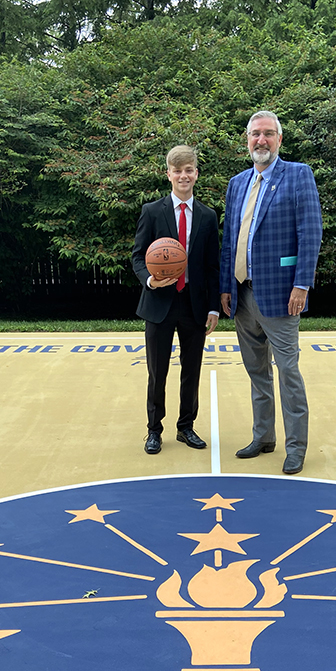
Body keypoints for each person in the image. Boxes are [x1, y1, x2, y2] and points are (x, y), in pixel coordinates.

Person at [220, 111, 323, 475]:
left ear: (279, 139)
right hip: (243, 294)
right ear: (247, 140)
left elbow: (310, 232)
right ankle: (263, 436)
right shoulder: (237, 183)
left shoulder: (298, 175)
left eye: (267, 134)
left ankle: (296, 448)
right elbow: (229, 240)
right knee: (256, 371)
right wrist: (226, 287)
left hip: (281, 293)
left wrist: (302, 284)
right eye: (254, 134)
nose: (260, 140)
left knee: (288, 373)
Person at [132, 145, 220, 455]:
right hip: (159, 303)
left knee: (191, 370)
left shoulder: (208, 216)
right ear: (168, 174)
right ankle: (154, 430)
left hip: (194, 304)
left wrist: (213, 307)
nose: (184, 176)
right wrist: (150, 280)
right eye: (177, 170)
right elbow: (138, 257)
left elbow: (212, 266)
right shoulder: (152, 211)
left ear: (196, 173)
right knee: (158, 372)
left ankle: (186, 427)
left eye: (189, 170)